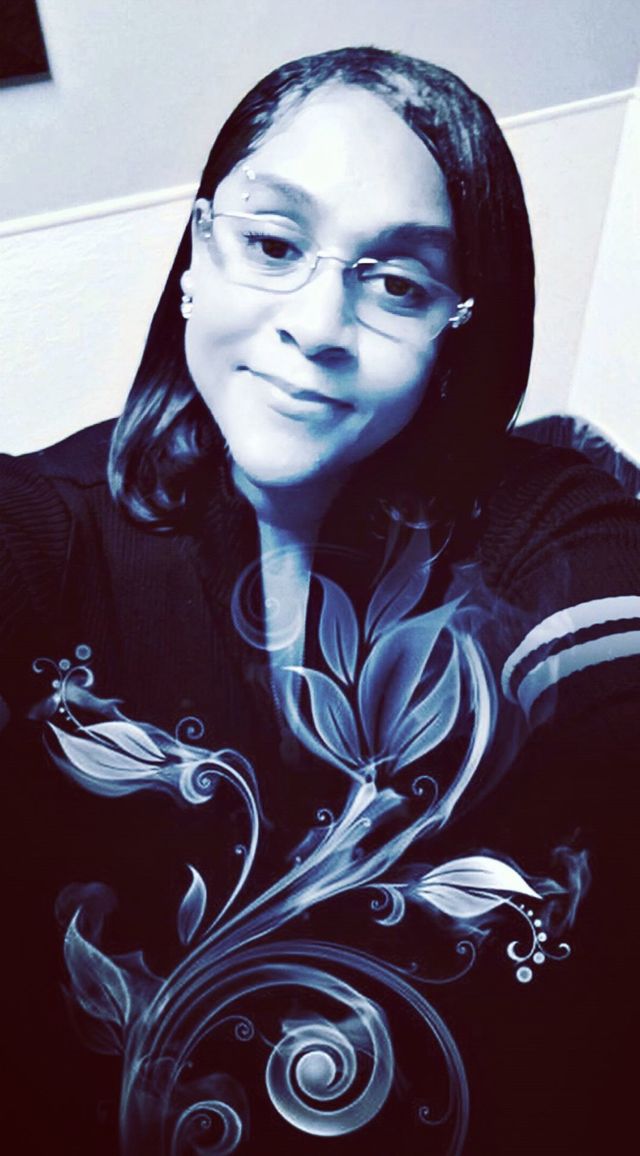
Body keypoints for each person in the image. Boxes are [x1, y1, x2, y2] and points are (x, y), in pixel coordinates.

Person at [1, 47, 639, 1156]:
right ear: (196, 258)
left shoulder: (544, 520)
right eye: (272, 244)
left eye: (397, 284)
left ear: (455, 330)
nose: (318, 323)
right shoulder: (53, 531)